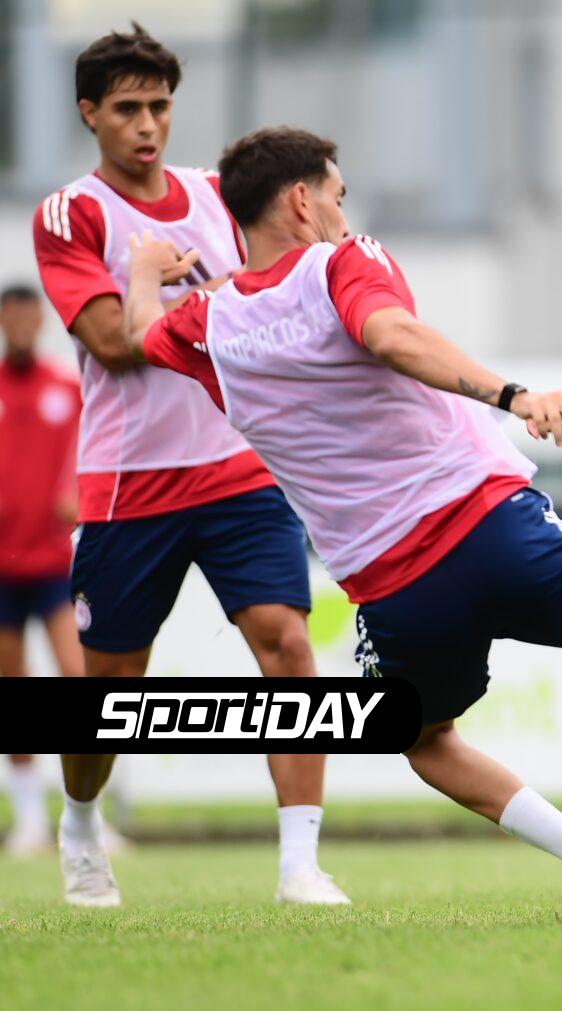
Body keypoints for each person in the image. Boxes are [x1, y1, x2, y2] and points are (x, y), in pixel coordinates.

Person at [122, 127, 562, 922]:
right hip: (493, 529)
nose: (343, 215)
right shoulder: (343, 263)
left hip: (394, 590)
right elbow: (389, 334)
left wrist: (143, 274)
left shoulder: (207, 325)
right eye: (338, 196)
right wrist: (515, 396)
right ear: (302, 200)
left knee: (424, 739)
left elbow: (138, 334)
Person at [30, 25, 345, 907]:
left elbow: (274, 301)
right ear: (89, 113)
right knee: (111, 686)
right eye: (127, 108)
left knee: (288, 645)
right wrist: (162, 283)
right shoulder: (73, 215)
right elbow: (113, 342)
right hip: (132, 487)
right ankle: (81, 821)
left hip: (240, 470)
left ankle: (300, 864)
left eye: (160, 106)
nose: (147, 125)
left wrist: (194, 295)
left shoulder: (215, 195)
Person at [0, 284, 84, 857]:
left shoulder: (66, 388)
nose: (23, 326)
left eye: (31, 317)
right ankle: (29, 822)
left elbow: (93, 447)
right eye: (14, 317)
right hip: (3, 568)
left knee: (78, 679)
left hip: (55, 564)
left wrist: (76, 490)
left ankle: (84, 815)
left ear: (41, 322)